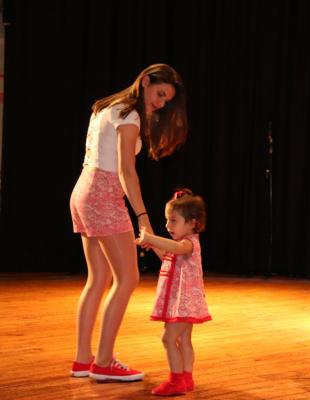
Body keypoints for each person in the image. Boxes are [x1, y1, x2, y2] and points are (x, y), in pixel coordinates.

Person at [69, 64, 188, 381]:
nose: (161, 103)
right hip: (103, 195)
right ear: (146, 81)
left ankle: (84, 359)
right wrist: (144, 221)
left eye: (167, 100)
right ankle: (103, 363)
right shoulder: (130, 115)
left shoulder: (107, 106)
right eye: (160, 94)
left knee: (99, 279)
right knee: (127, 279)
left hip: (84, 190)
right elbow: (125, 171)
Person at [135, 189, 212, 396]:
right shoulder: (181, 243)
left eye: (173, 221)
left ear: (192, 223)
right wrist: (152, 242)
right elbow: (168, 255)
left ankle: (176, 380)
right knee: (183, 340)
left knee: (168, 339)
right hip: (183, 302)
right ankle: (186, 378)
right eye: (167, 220)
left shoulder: (189, 243)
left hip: (184, 302)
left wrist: (152, 237)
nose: (168, 226)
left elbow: (177, 249)